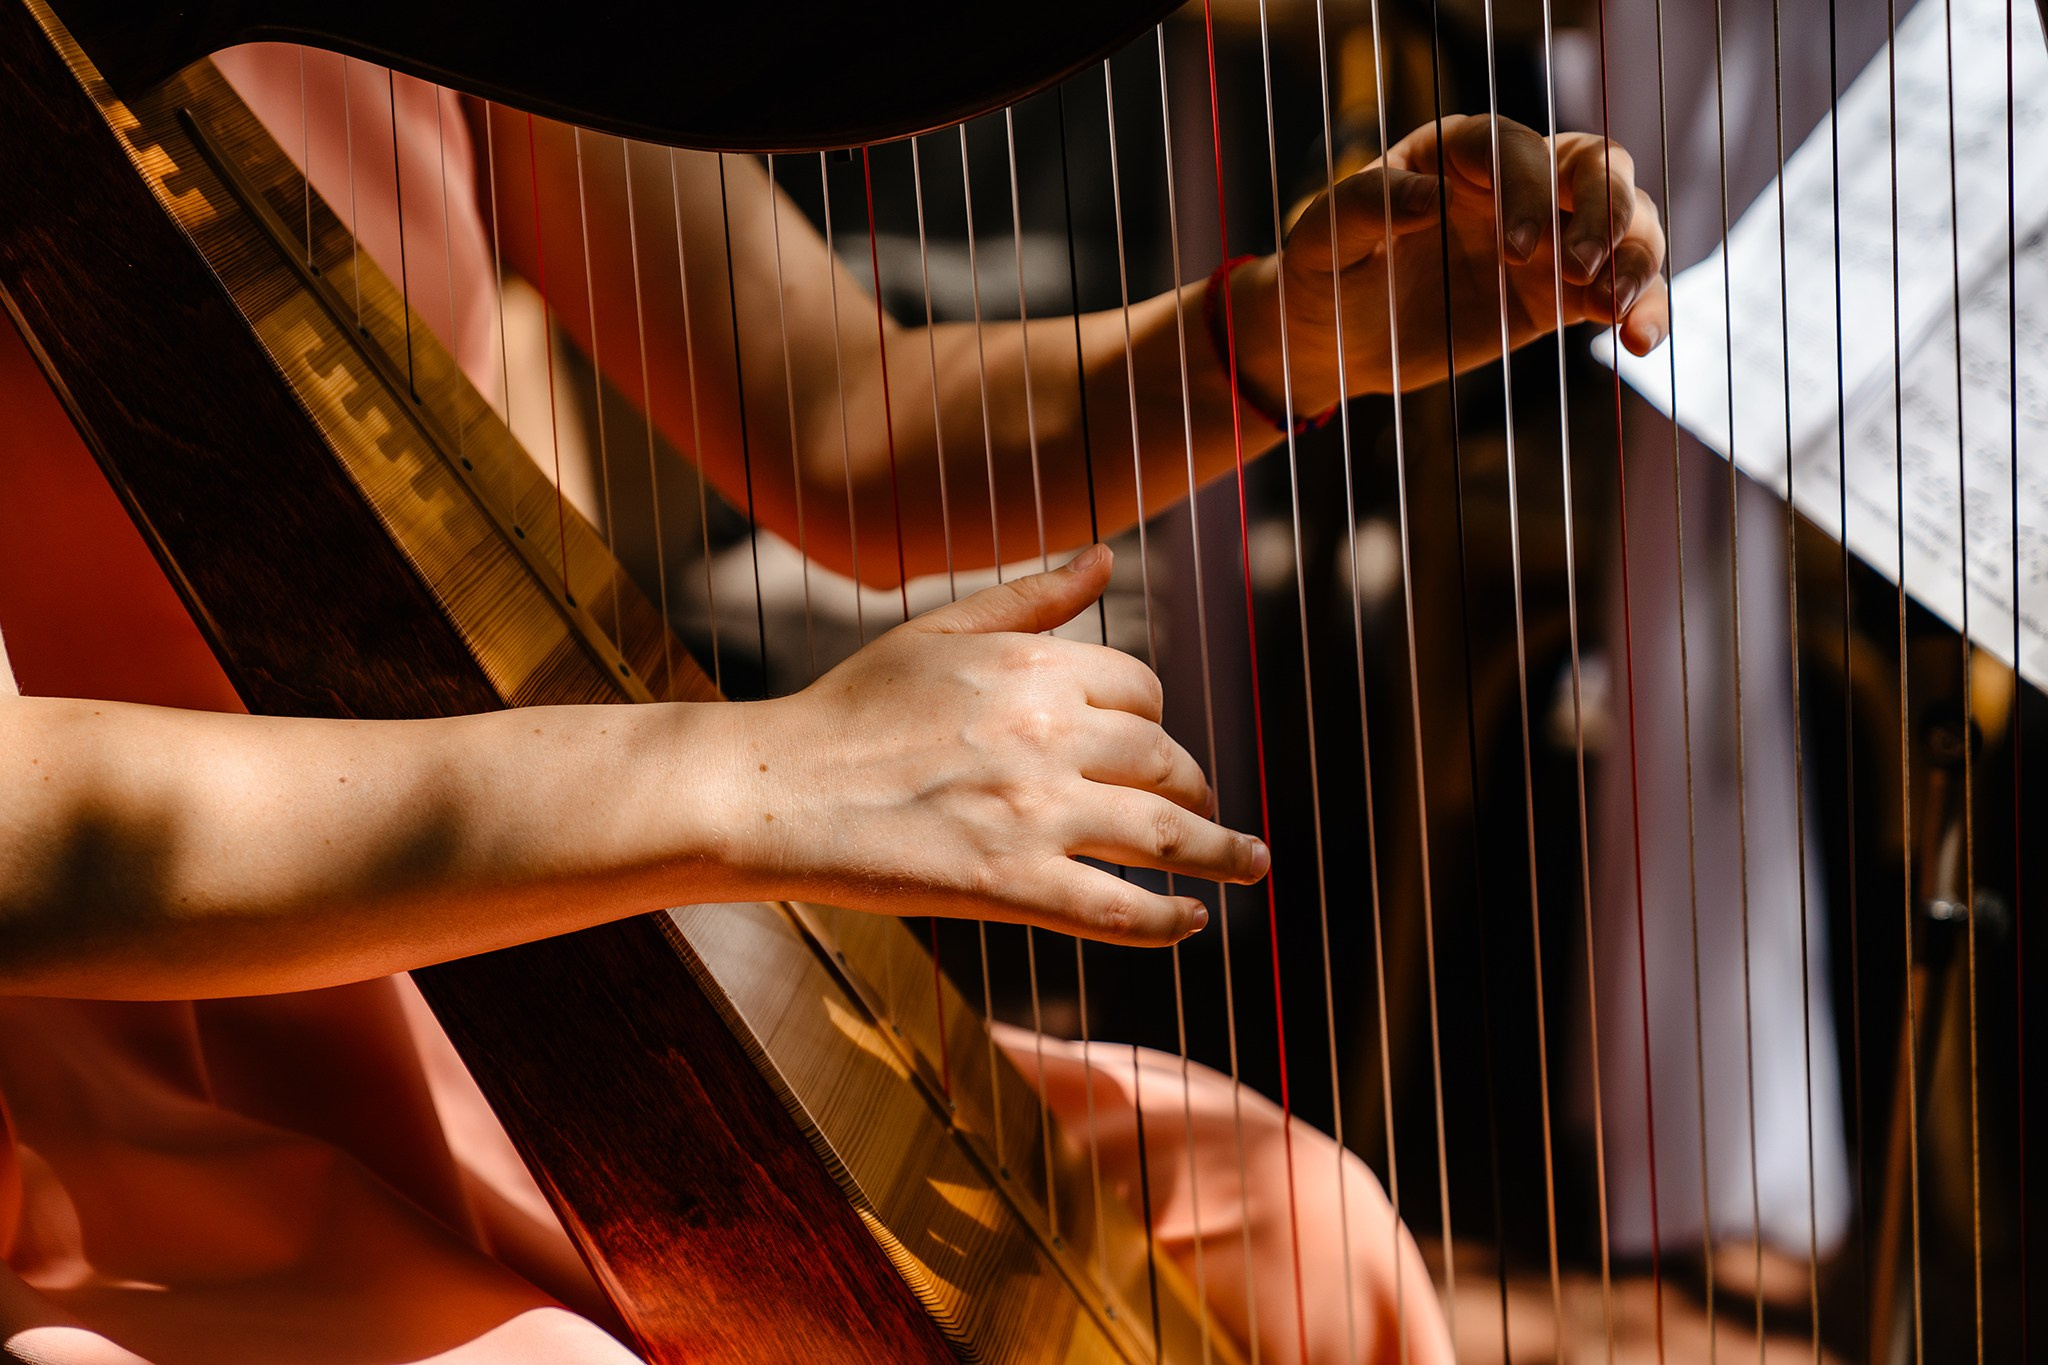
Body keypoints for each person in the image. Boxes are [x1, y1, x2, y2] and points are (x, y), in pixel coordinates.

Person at [0, 37, 1667, 1365]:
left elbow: (839, 412)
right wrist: (756, 774)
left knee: (1301, 1232)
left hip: (501, 971)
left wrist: (1281, 339)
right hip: (104, 1088)